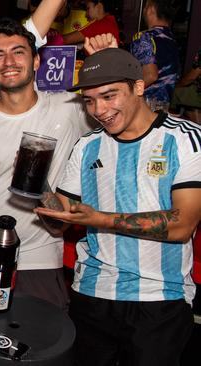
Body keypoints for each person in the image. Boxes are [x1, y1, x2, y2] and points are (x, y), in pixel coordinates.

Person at [34, 47, 201, 366]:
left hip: (158, 299)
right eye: (90, 100)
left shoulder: (184, 140)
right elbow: (60, 223)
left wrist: (100, 219)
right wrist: (37, 183)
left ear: (139, 87)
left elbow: (182, 225)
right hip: (92, 295)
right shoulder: (86, 146)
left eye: (109, 96)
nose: (99, 109)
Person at [0, 20, 93, 310]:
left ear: (37, 61)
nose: (9, 62)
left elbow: (118, 111)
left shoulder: (70, 110)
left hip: (41, 257)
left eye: (18, 52)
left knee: (45, 347)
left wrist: (104, 58)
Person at [130, 0, 180, 109]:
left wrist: (128, 94)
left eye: (145, 7)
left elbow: (150, 75)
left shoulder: (144, 37)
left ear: (151, 9)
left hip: (144, 103)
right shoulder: (172, 38)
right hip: (164, 105)